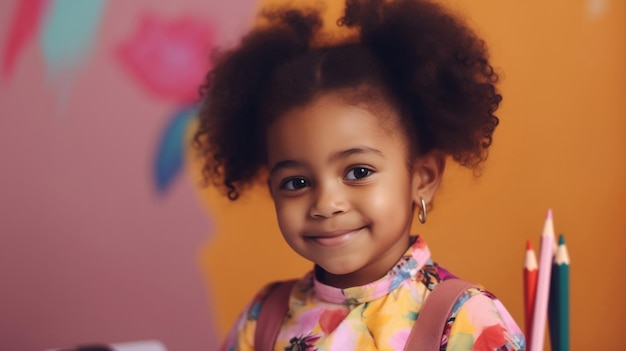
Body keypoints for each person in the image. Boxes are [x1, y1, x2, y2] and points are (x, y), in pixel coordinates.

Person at [194, 0, 525, 349]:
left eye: (358, 171)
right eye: (297, 182)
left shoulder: (467, 321)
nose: (326, 203)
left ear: (423, 178)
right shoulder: (263, 318)